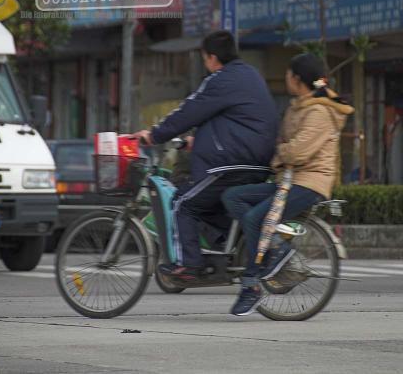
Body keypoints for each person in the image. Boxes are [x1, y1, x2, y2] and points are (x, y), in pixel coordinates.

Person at [132, 30, 278, 281]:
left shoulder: (221, 79)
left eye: (204, 59)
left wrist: (154, 135)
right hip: (258, 161)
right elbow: (235, 120)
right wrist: (198, 140)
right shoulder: (250, 75)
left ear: (211, 57)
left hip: (231, 163)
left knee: (182, 203)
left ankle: (189, 266)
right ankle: (223, 250)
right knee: (208, 203)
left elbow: (190, 111)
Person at [222, 53, 355, 316]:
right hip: (289, 180)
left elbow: (296, 152)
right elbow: (285, 145)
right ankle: (275, 248)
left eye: (288, 74)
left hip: (310, 183)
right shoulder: (299, 107)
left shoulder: (319, 111)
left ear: (297, 79)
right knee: (232, 196)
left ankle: (252, 286)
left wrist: (281, 152)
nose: (285, 78)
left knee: (253, 218)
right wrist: (283, 152)